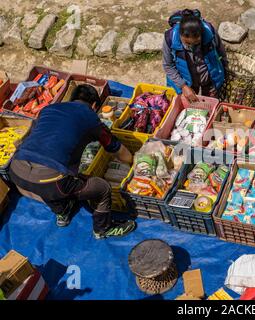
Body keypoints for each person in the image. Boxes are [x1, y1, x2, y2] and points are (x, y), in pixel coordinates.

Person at [8, 84, 137, 239]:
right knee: (102, 188)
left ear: (71, 98)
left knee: (48, 181)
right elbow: (115, 148)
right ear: (94, 105)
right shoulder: (90, 117)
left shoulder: (48, 109)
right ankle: (103, 229)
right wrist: (132, 162)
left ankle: (62, 212)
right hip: (50, 180)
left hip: (16, 171)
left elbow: (37, 135)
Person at [163, 9, 228, 102]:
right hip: (186, 81)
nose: (191, 46)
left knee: (211, 103)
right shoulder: (170, 38)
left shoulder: (210, 33)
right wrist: (183, 86)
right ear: (180, 34)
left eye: (196, 42)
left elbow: (221, 52)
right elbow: (168, 65)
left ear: (202, 33)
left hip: (210, 79)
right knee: (190, 103)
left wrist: (224, 72)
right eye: (187, 43)